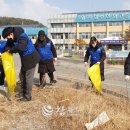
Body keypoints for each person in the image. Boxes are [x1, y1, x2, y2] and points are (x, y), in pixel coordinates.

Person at [2, 27, 40, 101]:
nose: (8, 38)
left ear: (11, 34)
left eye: (7, 37)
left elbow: (21, 47)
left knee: (28, 78)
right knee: (22, 75)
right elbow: (8, 44)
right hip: (25, 59)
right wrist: (6, 49)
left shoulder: (22, 37)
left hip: (31, 58)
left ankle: (27, 96)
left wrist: (10, 50)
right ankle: (22, 92)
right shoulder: (12, 37)